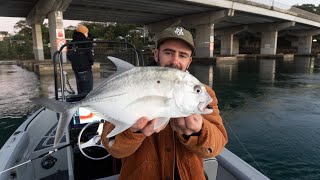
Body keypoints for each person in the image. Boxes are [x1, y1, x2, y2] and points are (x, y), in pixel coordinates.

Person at [101, 26, 228, 180]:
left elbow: (215, 147)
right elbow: (114, 149)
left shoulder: (204, 93)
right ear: (156, 54)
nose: (175, 61)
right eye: (168, 52)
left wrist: (198, 131)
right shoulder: (130, 85)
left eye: (183, 55)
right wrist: (133, 132)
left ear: (189, 61)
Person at [67, 24, 94, 95]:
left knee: (80, 88)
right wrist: (91, 63)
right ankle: (86, 104)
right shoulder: (85, 42)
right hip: (85, 68)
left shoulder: (72, 43)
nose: (87, 34)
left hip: (76, 68)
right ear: (84, 32)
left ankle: (79, 101)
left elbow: (69, 56)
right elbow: (90, 55)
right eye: (86, 32)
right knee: (88, 90)